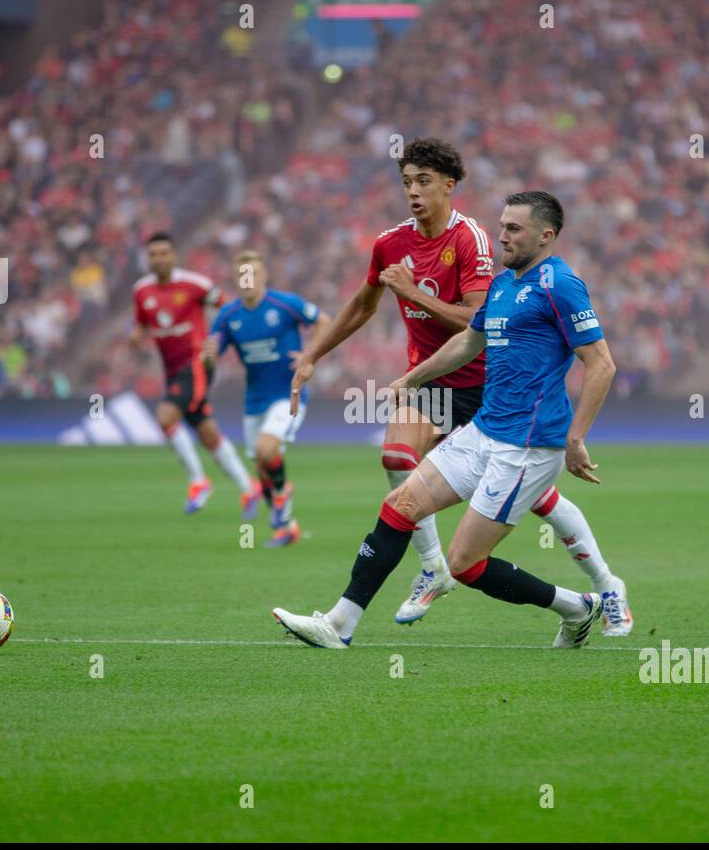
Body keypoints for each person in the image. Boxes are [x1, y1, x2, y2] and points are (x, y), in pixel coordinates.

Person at [290, 139, 631, 634]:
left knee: (468, 563)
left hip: (528, 442)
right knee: (399, 503)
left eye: (513, 230)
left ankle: (582, 605)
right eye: (502, 228)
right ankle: (339, 623)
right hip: (485, 429)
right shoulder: (503, 283)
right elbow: (469, 342)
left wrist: (576, 439)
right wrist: (413, 376)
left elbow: (601, 365)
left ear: (546, 235)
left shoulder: (560, 284)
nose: (502, 238)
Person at [204, 251, 331, 546]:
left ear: (263, 277)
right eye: (241, 275)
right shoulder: (228, 316)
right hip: (254, 401)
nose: (247, 280)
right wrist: (207, 358)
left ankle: (283, 492)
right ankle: (287, 526)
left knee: (265, 449)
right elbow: (212, 359)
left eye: (252, 274)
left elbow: (324, 321)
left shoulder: (285, 304)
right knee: (262, 469)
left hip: (288, 395)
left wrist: (309, 355)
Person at [131, 232, 260, 516]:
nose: (159, 259)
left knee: (166, 417)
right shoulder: (141, 291)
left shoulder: (195, 285)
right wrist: (136, 336)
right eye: (154, 254)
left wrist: (219, 339)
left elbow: (227, 308)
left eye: (164, 253)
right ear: (148, 258)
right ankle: (249, 488)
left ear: (174, 255)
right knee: (206, 432)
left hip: (197, 364)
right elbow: (142, 324)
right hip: (172, 370)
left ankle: (198, 481)